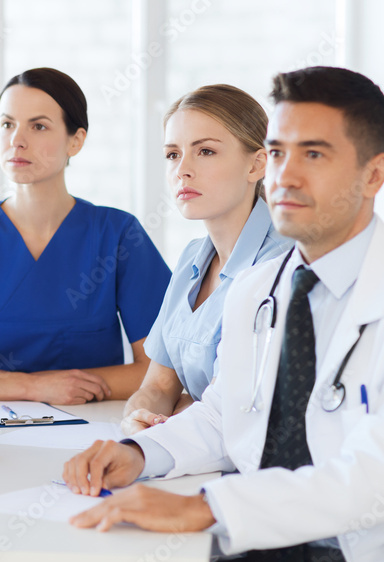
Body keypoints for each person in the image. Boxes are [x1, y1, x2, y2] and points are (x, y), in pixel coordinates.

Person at [63, 66, 384, 561]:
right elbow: (224, 414)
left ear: (374, 174)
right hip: (251, 537)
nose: (285, 175)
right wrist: (139, 453)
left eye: (314, 154)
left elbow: (371, 474)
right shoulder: (257, 289)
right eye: (278, 152)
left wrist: (205, 507)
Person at [0, 67, 171, 404]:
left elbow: (161, 371)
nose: (17, 140)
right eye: (7, 124)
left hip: (97, 425)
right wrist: (31, 387)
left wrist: (68, 387)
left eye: (38, 126)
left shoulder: (118, 235)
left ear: (76, 141)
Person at [121, 85, 291, 434]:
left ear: (257, 164)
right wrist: (139, 420)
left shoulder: (282, 265)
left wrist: (175, 422)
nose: (182, 169)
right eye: (172, 154)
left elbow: (238, 412)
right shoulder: (191, 260)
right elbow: (158, 387)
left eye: (206, 151)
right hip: (186, 448)